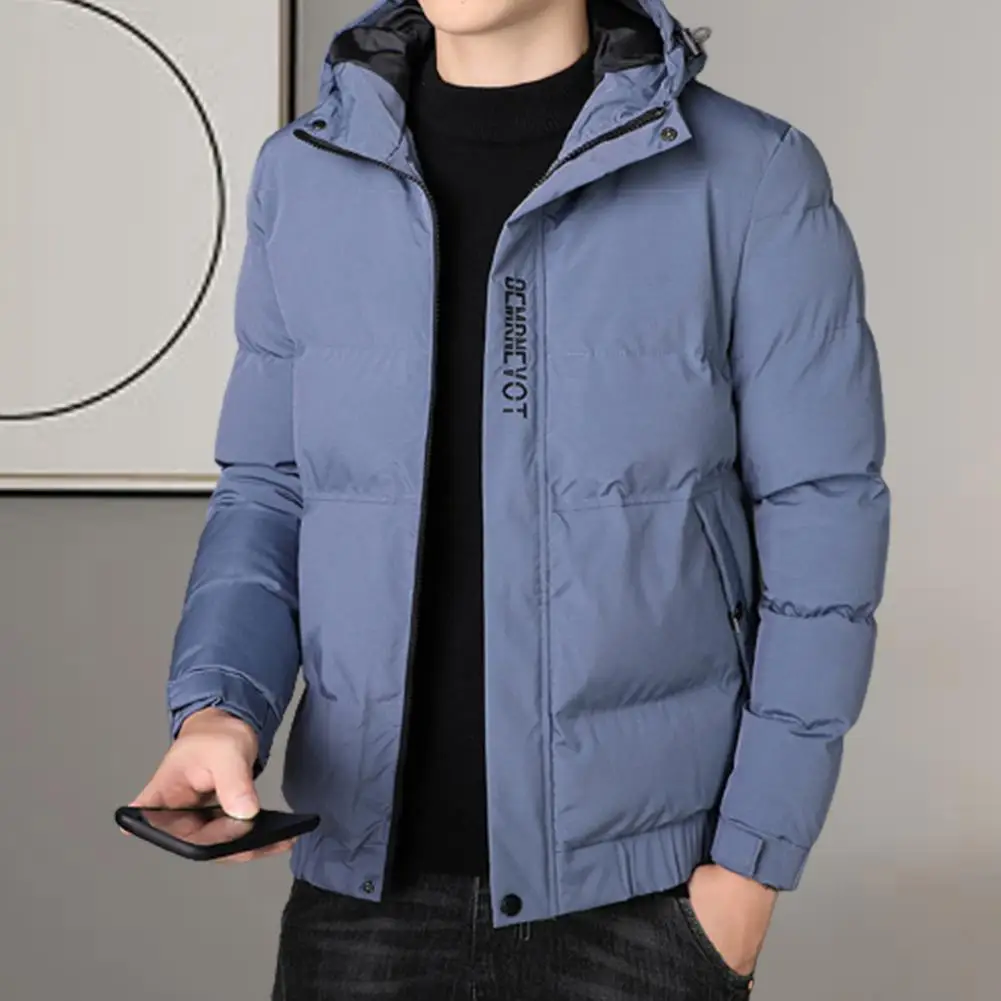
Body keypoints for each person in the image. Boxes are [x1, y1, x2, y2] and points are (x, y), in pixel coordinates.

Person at [133, 0, 890, 997]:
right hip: (360, 891)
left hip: (642, 901)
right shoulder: (305, 173)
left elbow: (821, 520)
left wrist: (749, 865)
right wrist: (221, 708)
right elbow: (269, 488)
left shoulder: (748, 173)